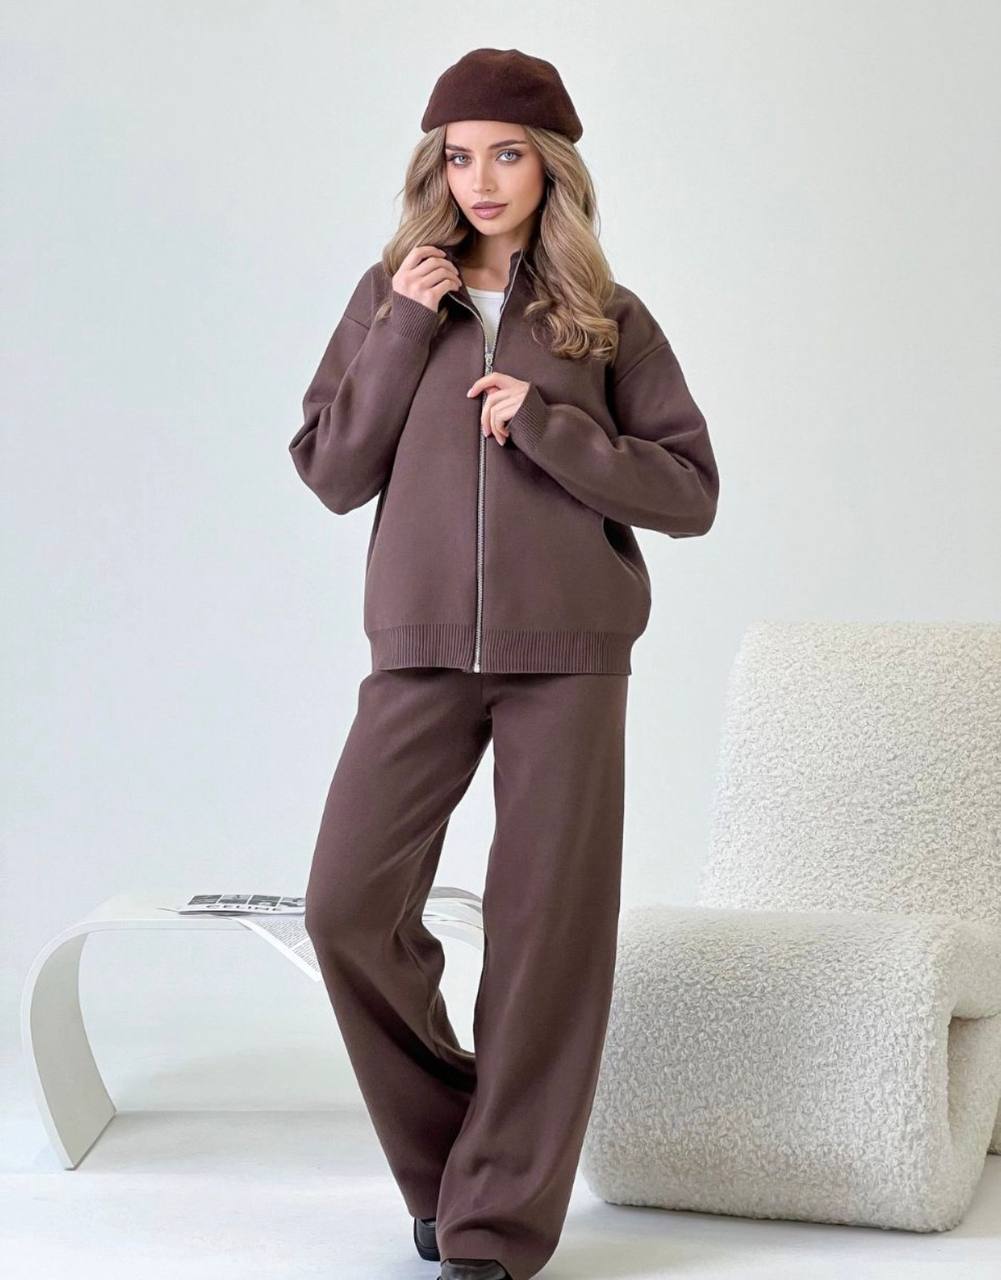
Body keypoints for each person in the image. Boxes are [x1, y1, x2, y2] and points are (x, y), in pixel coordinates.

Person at [289, 46, 720, 1280]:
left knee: (543, 941)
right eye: (459, 155)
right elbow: (330, 470)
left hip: (569, 655)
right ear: (433, 166)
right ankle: (461, 1163)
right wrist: (401, 325)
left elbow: (688, 492)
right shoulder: (388, 297)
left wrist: (547, 426)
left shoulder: (606, 316)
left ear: (551, 168)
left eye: (507, 154)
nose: (480, 179)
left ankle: (492, 1229)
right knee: (345, 907)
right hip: (419, 648)